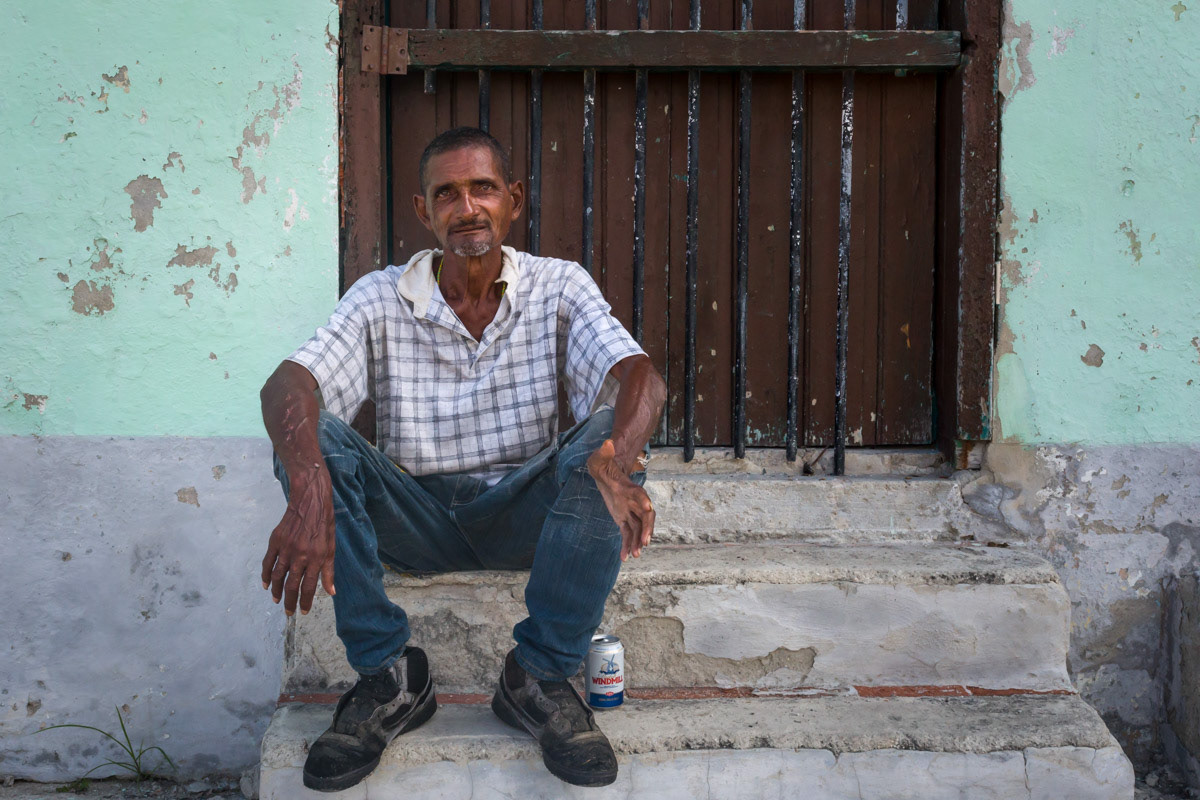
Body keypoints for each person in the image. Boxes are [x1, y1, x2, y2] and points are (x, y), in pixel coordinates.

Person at [259, 126, 667, 792]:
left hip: (522, 514)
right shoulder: (378, 297)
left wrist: (616, 460)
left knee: (605, 437)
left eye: (482, 189)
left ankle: (537, 675)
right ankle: (388, 677)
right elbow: (289, 384)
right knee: (313, 436)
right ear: (424, 212)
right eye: (446, 194)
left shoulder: (559, 286)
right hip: (414, 517)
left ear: (512, 200)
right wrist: (307, 488)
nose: (467, 207)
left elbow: (640, 376)